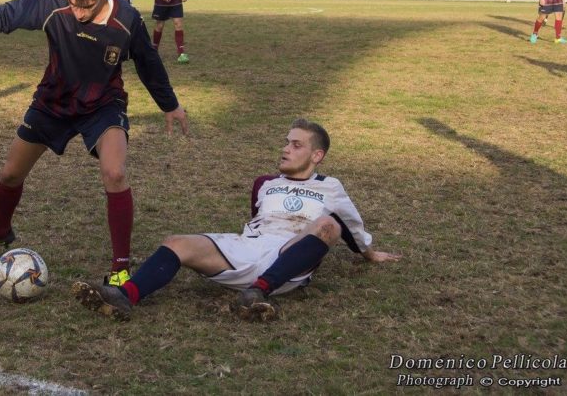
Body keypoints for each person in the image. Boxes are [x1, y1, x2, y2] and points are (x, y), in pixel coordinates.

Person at [0, 0, 189, 287]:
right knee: (11, 173)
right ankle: (0, 233)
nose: (78, 12)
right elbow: (3, 15)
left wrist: (169, 104)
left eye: (86, 6)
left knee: (114, 172)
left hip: (103, 104)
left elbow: (149, 63)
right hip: (53, 101)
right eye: (73, 3)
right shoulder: (52, 1)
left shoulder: (127, 20)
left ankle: (120, 270)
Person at [73, 118, 401, 321]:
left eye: (296, 144)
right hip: (249, 247)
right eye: (286, 142)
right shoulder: (265, 184)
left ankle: (257, 294)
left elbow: (352, 226)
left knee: (329, 225)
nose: (286, 149)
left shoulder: (330, 187)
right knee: (176, 243)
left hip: (290, 257)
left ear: (316, 155)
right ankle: (126, 296)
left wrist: (369, 253)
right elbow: (255, 221)